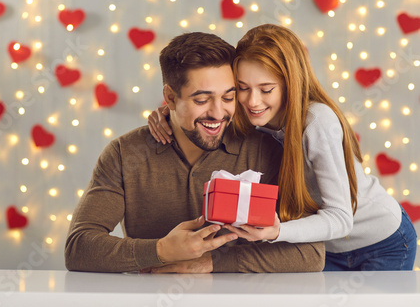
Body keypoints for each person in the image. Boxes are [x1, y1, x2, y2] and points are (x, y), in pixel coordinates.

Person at [148, 24, 417, 271]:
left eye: (266, 90)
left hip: (382, 242)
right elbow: (207, 114)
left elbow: (341, 219)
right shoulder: (246, 115)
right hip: (324, 247)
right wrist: (167, 113)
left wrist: (276, 232)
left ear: (290, 84)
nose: (253, 101)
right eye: (242, 88)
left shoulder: (316, 122)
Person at [65, 31, 325, 273]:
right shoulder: (125, 154)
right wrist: (163, 251)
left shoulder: (263, 151)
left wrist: (210, 262)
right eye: (201, 100)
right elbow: (79, 248)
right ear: (170, 98)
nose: (217, 113)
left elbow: (312, 253)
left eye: (228, 97)